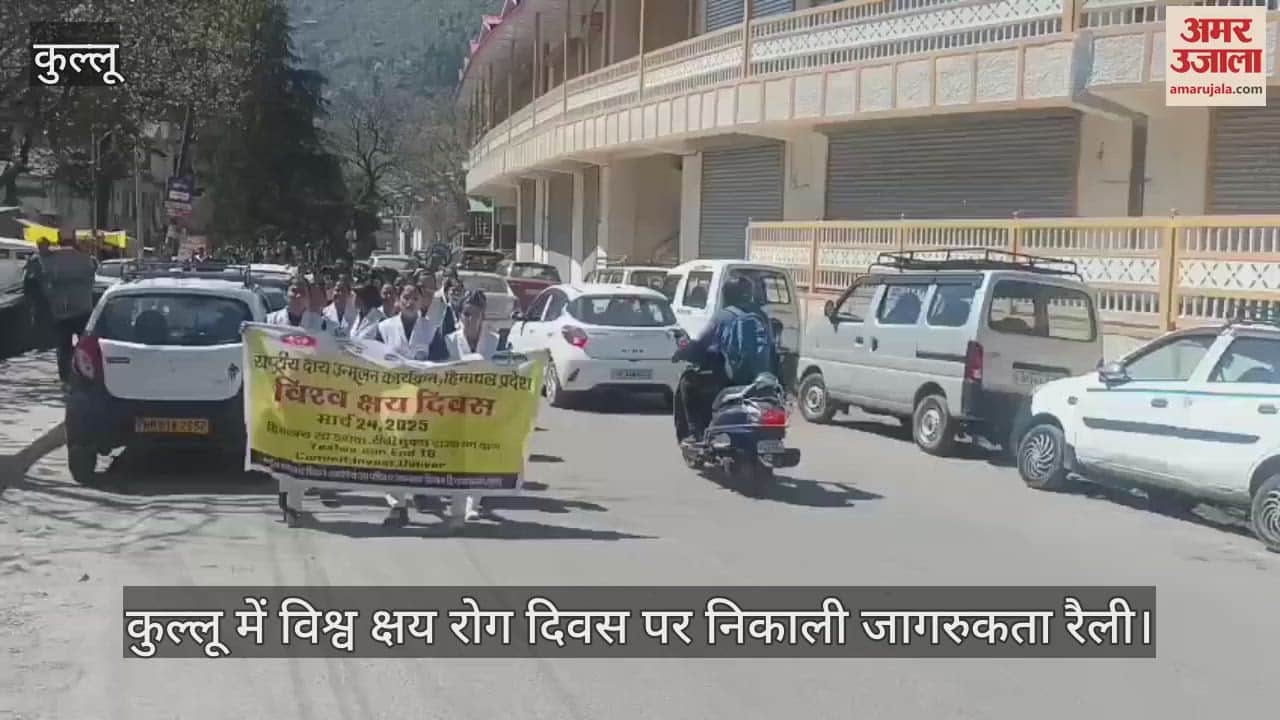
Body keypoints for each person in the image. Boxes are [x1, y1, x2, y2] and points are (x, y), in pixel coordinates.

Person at [671, 275, 776, 446]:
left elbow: (700, 343)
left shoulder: (723, 316)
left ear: (726, 295)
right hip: (762, 378)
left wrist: (681, 354)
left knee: (688, 382)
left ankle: (694, 433)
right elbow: (772, 347)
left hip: (730, 379)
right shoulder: (761, 316)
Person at [24, 232, 96, 383]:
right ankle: (87, 373)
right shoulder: (84, 257)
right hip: (82, 309)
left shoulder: (48, 259)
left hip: (60, 311)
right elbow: (91, 277)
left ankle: (66, 378)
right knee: (86, 344)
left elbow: (37, 280)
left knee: (63, 347)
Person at [374, 284, 442, 361]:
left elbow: (439, 361)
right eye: (406, 298)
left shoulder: (431, 329)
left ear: (421, 302)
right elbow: (376, 358)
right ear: (398, 300)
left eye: (415, 299)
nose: (410, 303)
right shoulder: (383, 327)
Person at [444, 290, 504, 361]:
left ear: (482, 317)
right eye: (466, 314)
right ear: (460, 316)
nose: (470, 319)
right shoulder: (449, 341)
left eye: (475, 314)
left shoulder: (495, 342)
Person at [265, 276, 333, 332]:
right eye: (294, 291)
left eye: (302, 292)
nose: (298, 296)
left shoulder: (320, 323)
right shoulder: (270, 320)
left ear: (308, 297)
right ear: (286, 294)